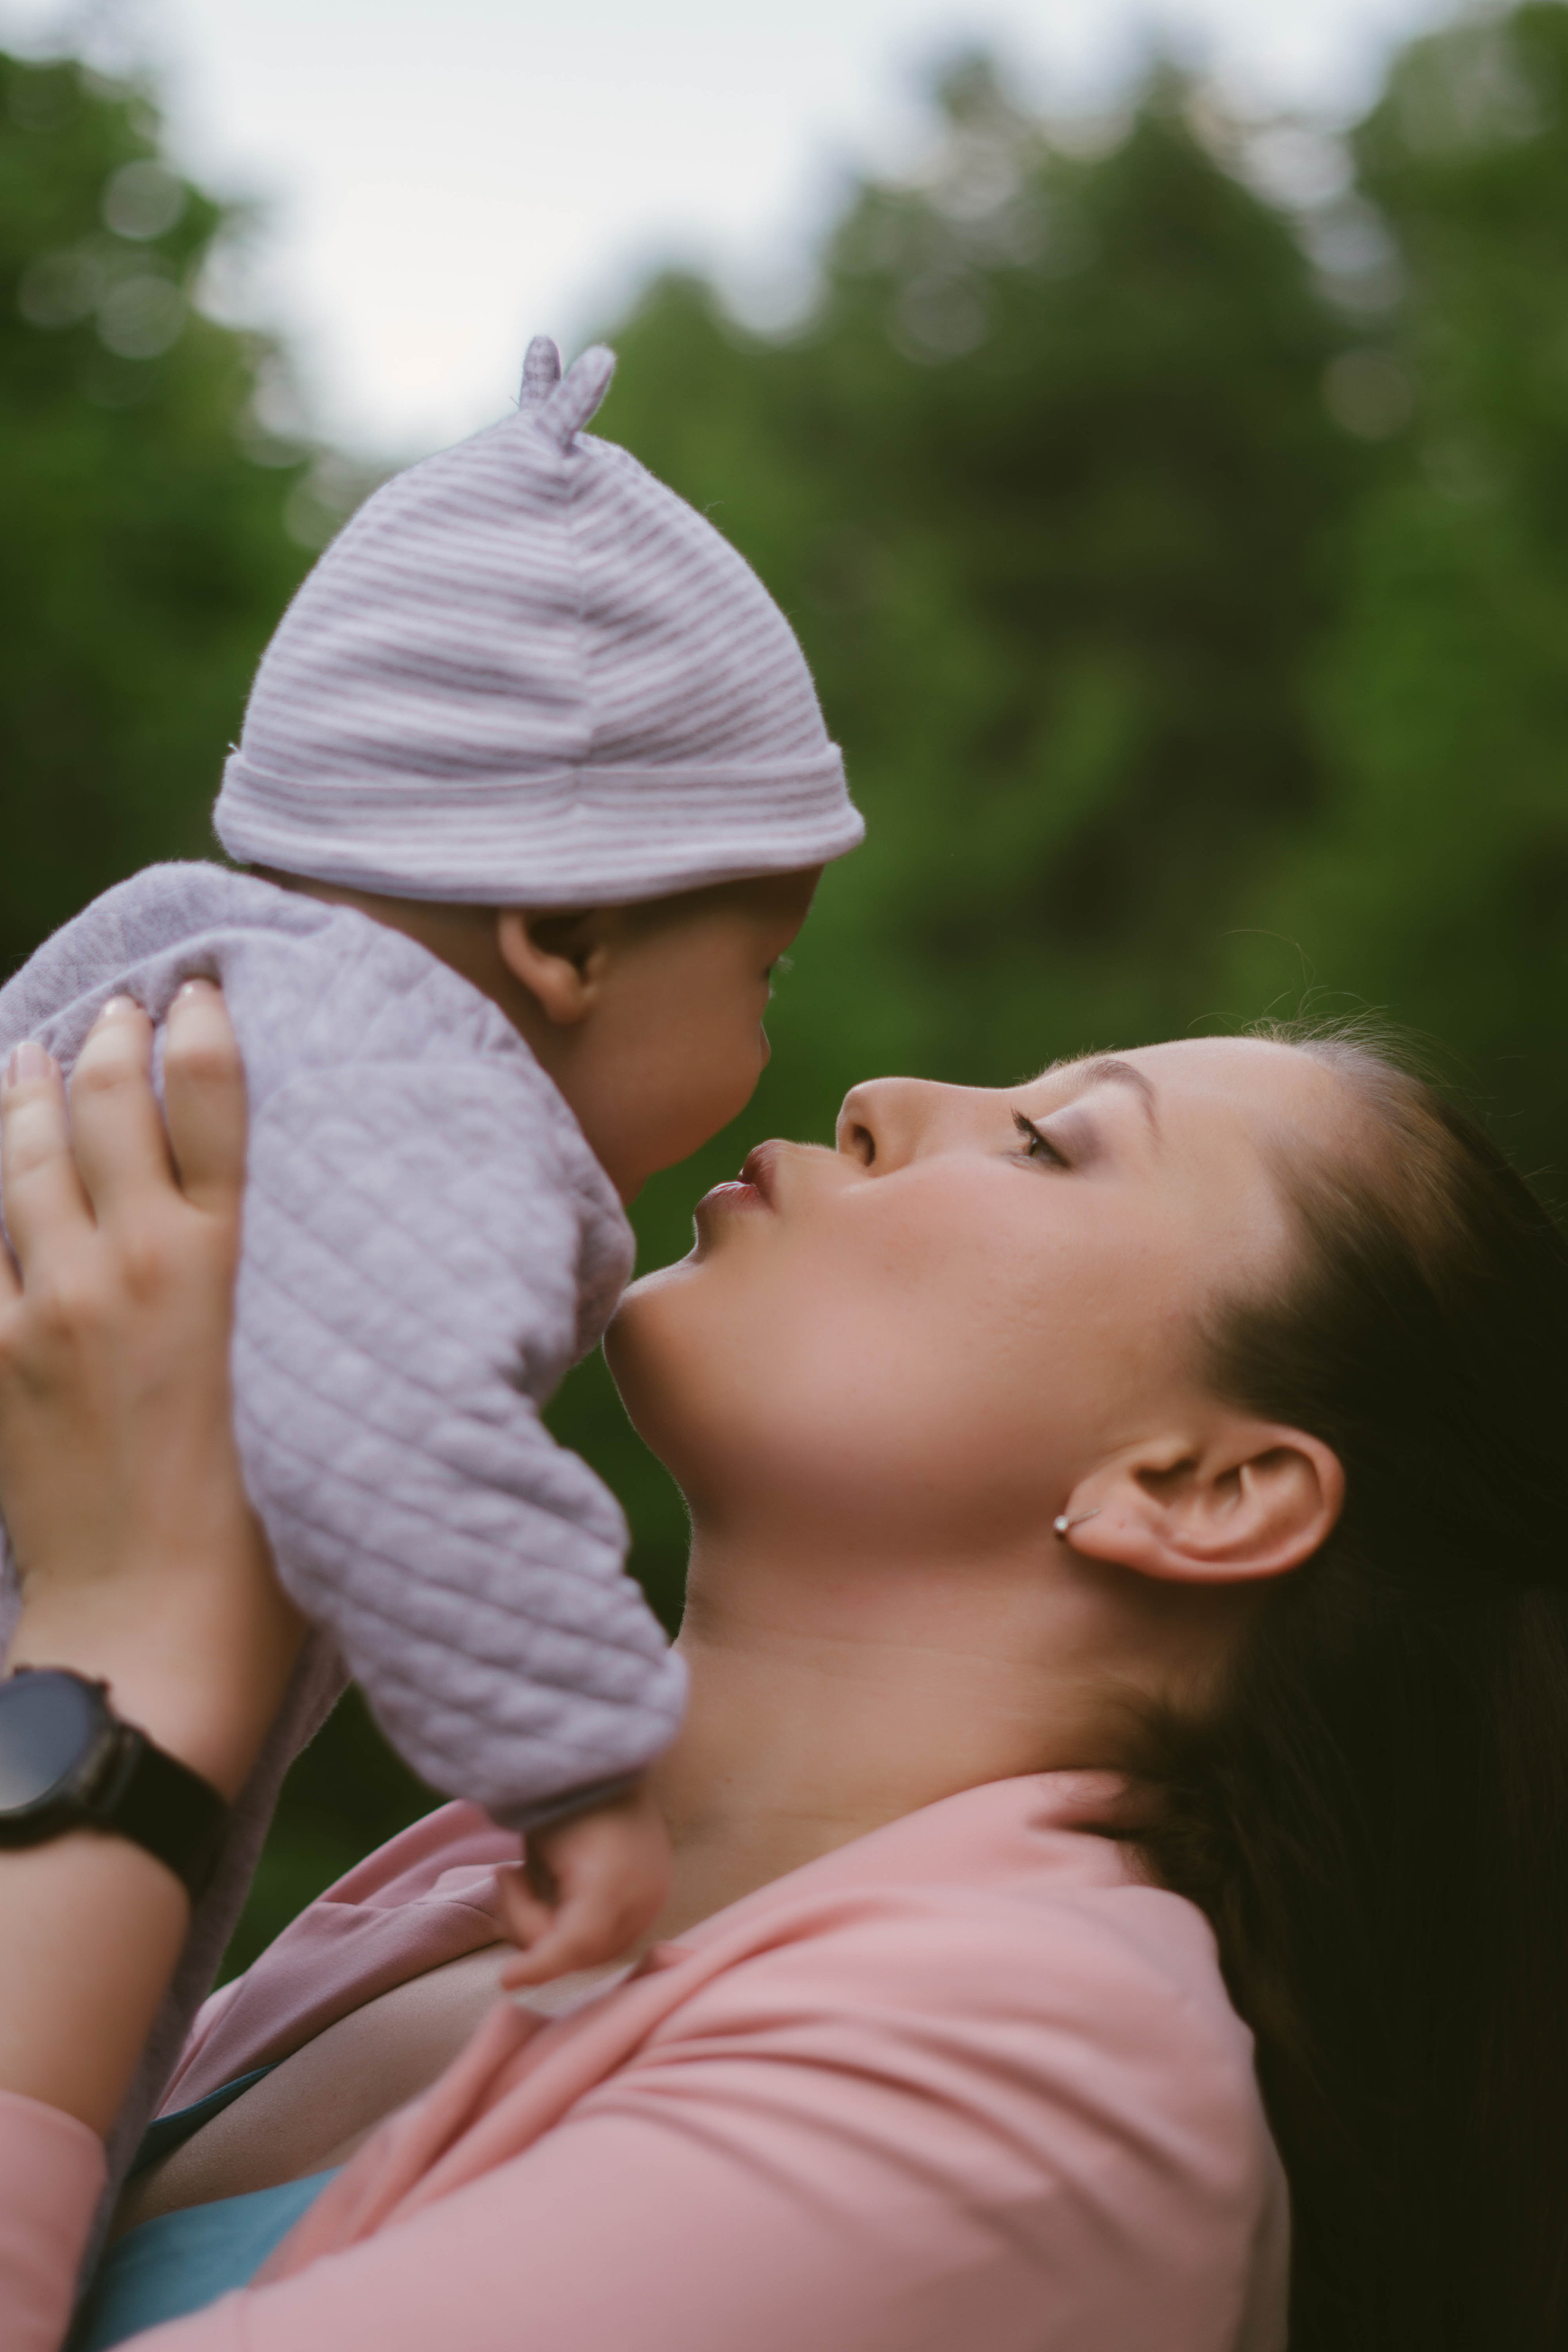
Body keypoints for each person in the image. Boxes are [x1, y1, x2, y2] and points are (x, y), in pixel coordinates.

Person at [1, 988, 1566, 2352]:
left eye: (1045, 1143)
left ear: (1197, 1491)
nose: (881, 1105)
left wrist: (131, 1647)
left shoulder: (1030, 2086)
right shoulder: (489, 1878)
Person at [0, 331, 864, 2162]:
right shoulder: (434, 1093)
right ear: (564, 938)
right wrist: (584, 1768)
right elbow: (392, 1441)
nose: (776, 1045)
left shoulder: (175, 984)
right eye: (762, 970)